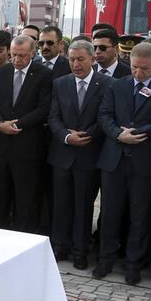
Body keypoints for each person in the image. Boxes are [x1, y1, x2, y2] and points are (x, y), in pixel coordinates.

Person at [94, 42, 151, 285]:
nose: (138, 74)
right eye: (135, 68)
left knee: (139, 216)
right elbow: (104, 115)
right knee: (110, 213)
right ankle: (105, 259)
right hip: (114, 159)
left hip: (145, 162)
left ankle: (133, 265)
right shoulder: (118, 85)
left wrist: (137, 133)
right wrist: (118, 134)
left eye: (144, 70)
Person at [46, 40, 112, 270]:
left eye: (80, 59)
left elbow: (105, 117)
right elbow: (53, 116)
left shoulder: (106, 84)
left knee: (83, 206)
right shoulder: (60, 83)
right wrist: (65, 136)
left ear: (93, 59)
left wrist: (86, 136)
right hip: (62, 154)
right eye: (72, 59)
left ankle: (80, 250)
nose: (75, 64)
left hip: (89, 154)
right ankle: (58, 246)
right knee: (60, 204)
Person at [0, 35, 53, 233]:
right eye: (13, 55)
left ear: (33, 53)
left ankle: (23, 238)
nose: (17, 60)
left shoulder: (44, 75)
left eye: (22, 56)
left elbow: (43, 108)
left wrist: (16, 125)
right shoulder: (1, 72)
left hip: (27, 146)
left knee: (26, 198)